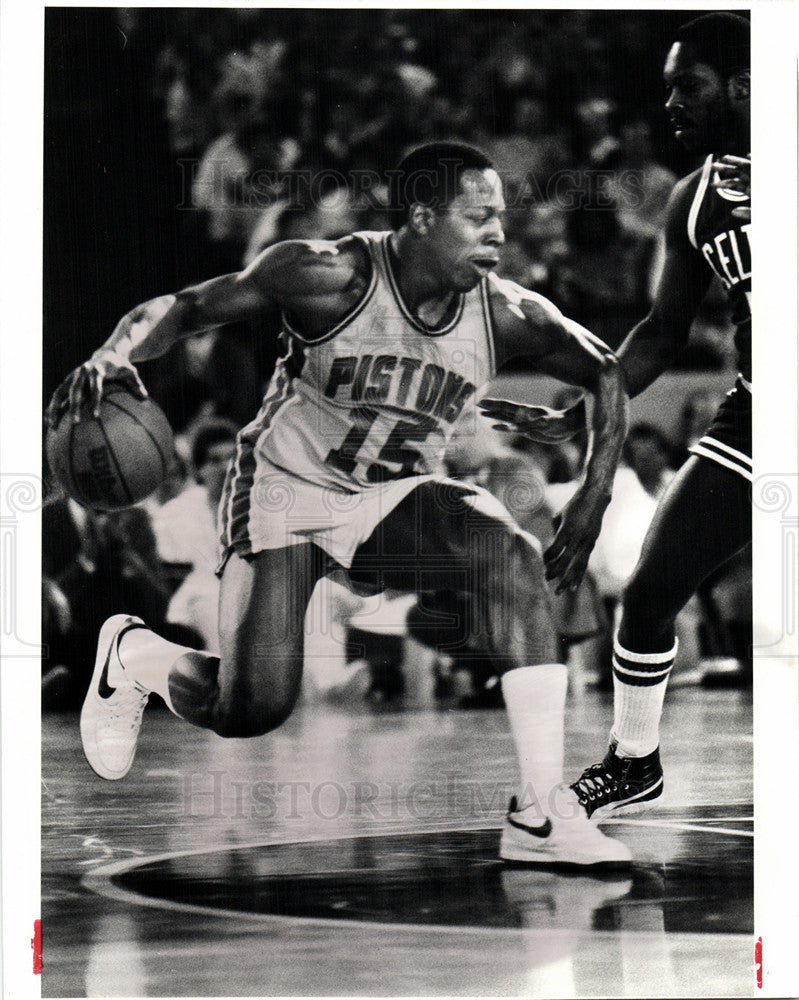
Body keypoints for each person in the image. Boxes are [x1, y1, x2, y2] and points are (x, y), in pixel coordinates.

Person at [47, 141, 631, 865]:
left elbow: (605, 371)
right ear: (421, 218)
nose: (498, 235)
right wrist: (116, 351)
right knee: (251, 708)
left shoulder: (507, 313)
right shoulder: (330, 274)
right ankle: (134, 655)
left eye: (501, 219)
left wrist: (595, 489)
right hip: (286, 491)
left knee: (506, 552)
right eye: (478, 217)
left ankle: (541, 815)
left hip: (392, 494)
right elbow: (193, 306)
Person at [483, 13, 751, 820]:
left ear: (747, 87)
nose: (670, 103)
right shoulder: (695, 199)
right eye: (668, 85)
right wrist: (583, 405)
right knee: (648, 591)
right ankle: (633, 760)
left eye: (688, 86)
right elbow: (661, 332)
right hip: (762, 416)